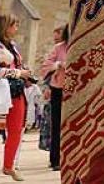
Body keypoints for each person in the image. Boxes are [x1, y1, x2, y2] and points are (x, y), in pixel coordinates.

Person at [0, 14, 33, 181]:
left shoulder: (13, 45)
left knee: (16, 130)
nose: (16, 29)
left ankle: (9, 166)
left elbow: (18, 65)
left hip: (16, 90)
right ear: (6, 26)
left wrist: (26, 74)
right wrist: (17, 72)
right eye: (14, 25)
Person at [41, 25, 69, 171]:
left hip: (75, 91)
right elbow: (45, 66)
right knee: (56, 126)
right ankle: (55, 160)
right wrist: (58, 65)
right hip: (58, 90)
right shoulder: (59, 48)